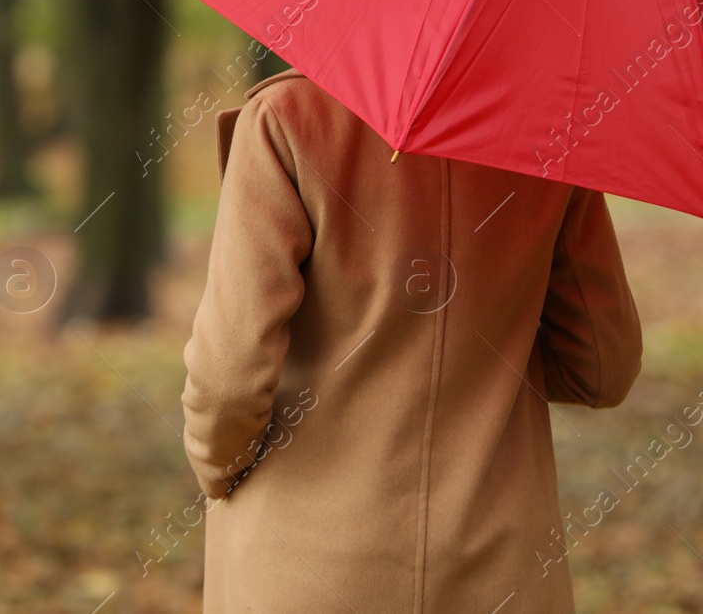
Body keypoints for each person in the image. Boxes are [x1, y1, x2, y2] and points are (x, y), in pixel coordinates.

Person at [181, 69, 642, 613]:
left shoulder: (289, 118)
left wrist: (218, 471)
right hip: (500, 567)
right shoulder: (552, 135)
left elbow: (229, 382)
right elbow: (603, 367)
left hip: (304, 566)